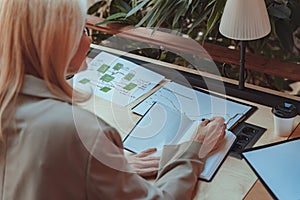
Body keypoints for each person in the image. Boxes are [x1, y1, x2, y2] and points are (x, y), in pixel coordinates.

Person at [0, 0, 226, 199]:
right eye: (82, 30)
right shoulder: (81, 132)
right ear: (59, 43)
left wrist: (105, 169)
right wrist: (194, 150)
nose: (88, 41)